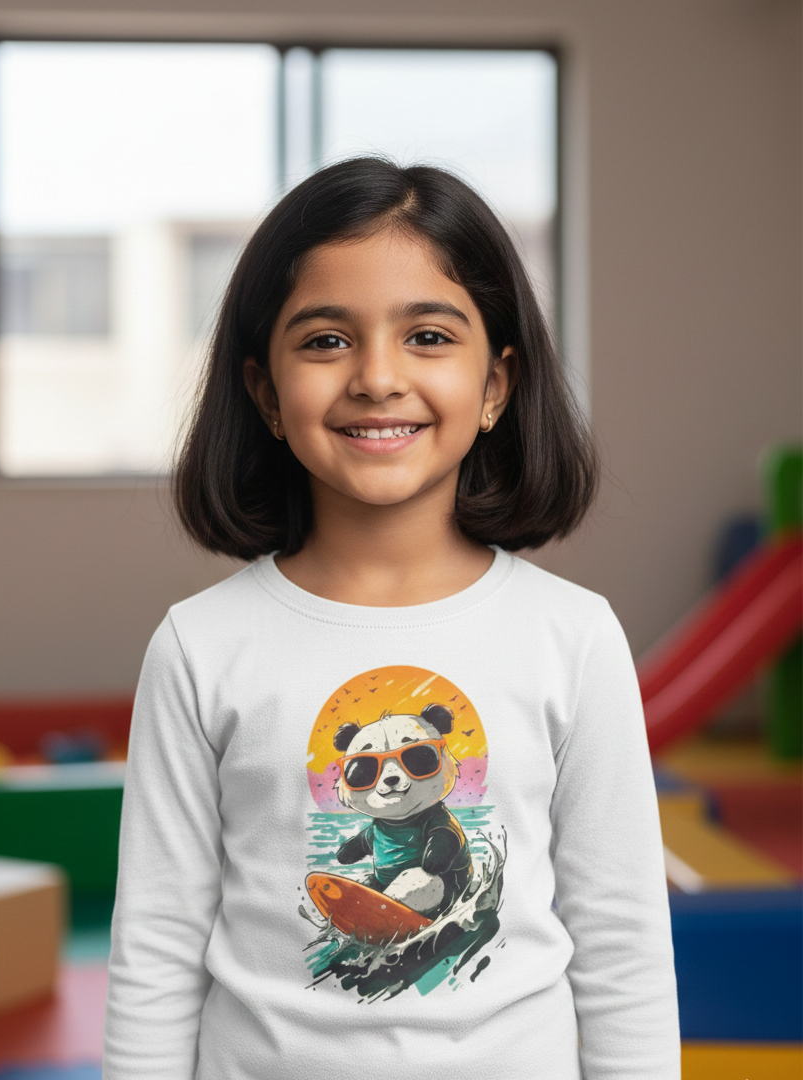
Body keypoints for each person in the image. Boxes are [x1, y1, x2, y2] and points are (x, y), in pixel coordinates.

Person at [103, 158, 680, 1080]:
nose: (377, 378)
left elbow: (623, 946)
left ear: (496, 386)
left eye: (428, 336)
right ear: (265, 394)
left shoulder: (571, 638)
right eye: (327, 341)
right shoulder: (201, 647)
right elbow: (156, 951)